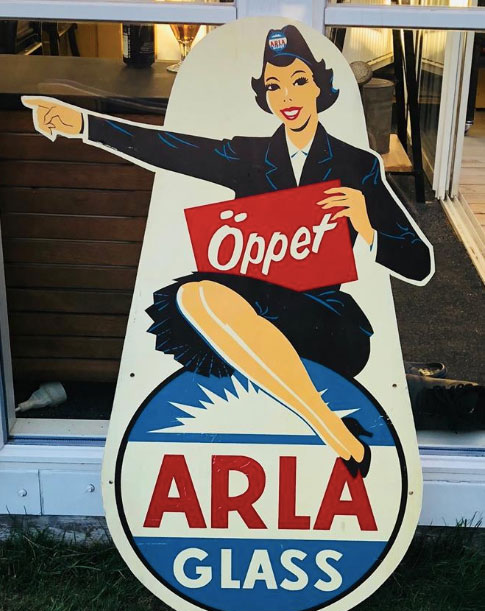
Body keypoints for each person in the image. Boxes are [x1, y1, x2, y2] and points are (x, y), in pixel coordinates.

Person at [22, 25, 433, 476]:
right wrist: (85, 126)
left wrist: (367, 225)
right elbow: (172, 149)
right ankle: (331, 426)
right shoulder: (248, 155)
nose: (287, 96)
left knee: (233, 314)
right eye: (274, 86)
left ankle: (325, 426)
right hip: (252, 311)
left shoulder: (357, 166)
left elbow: (419, 263)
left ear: (320, 86)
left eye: (299, 81)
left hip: (323, 319)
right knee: (193, 295)